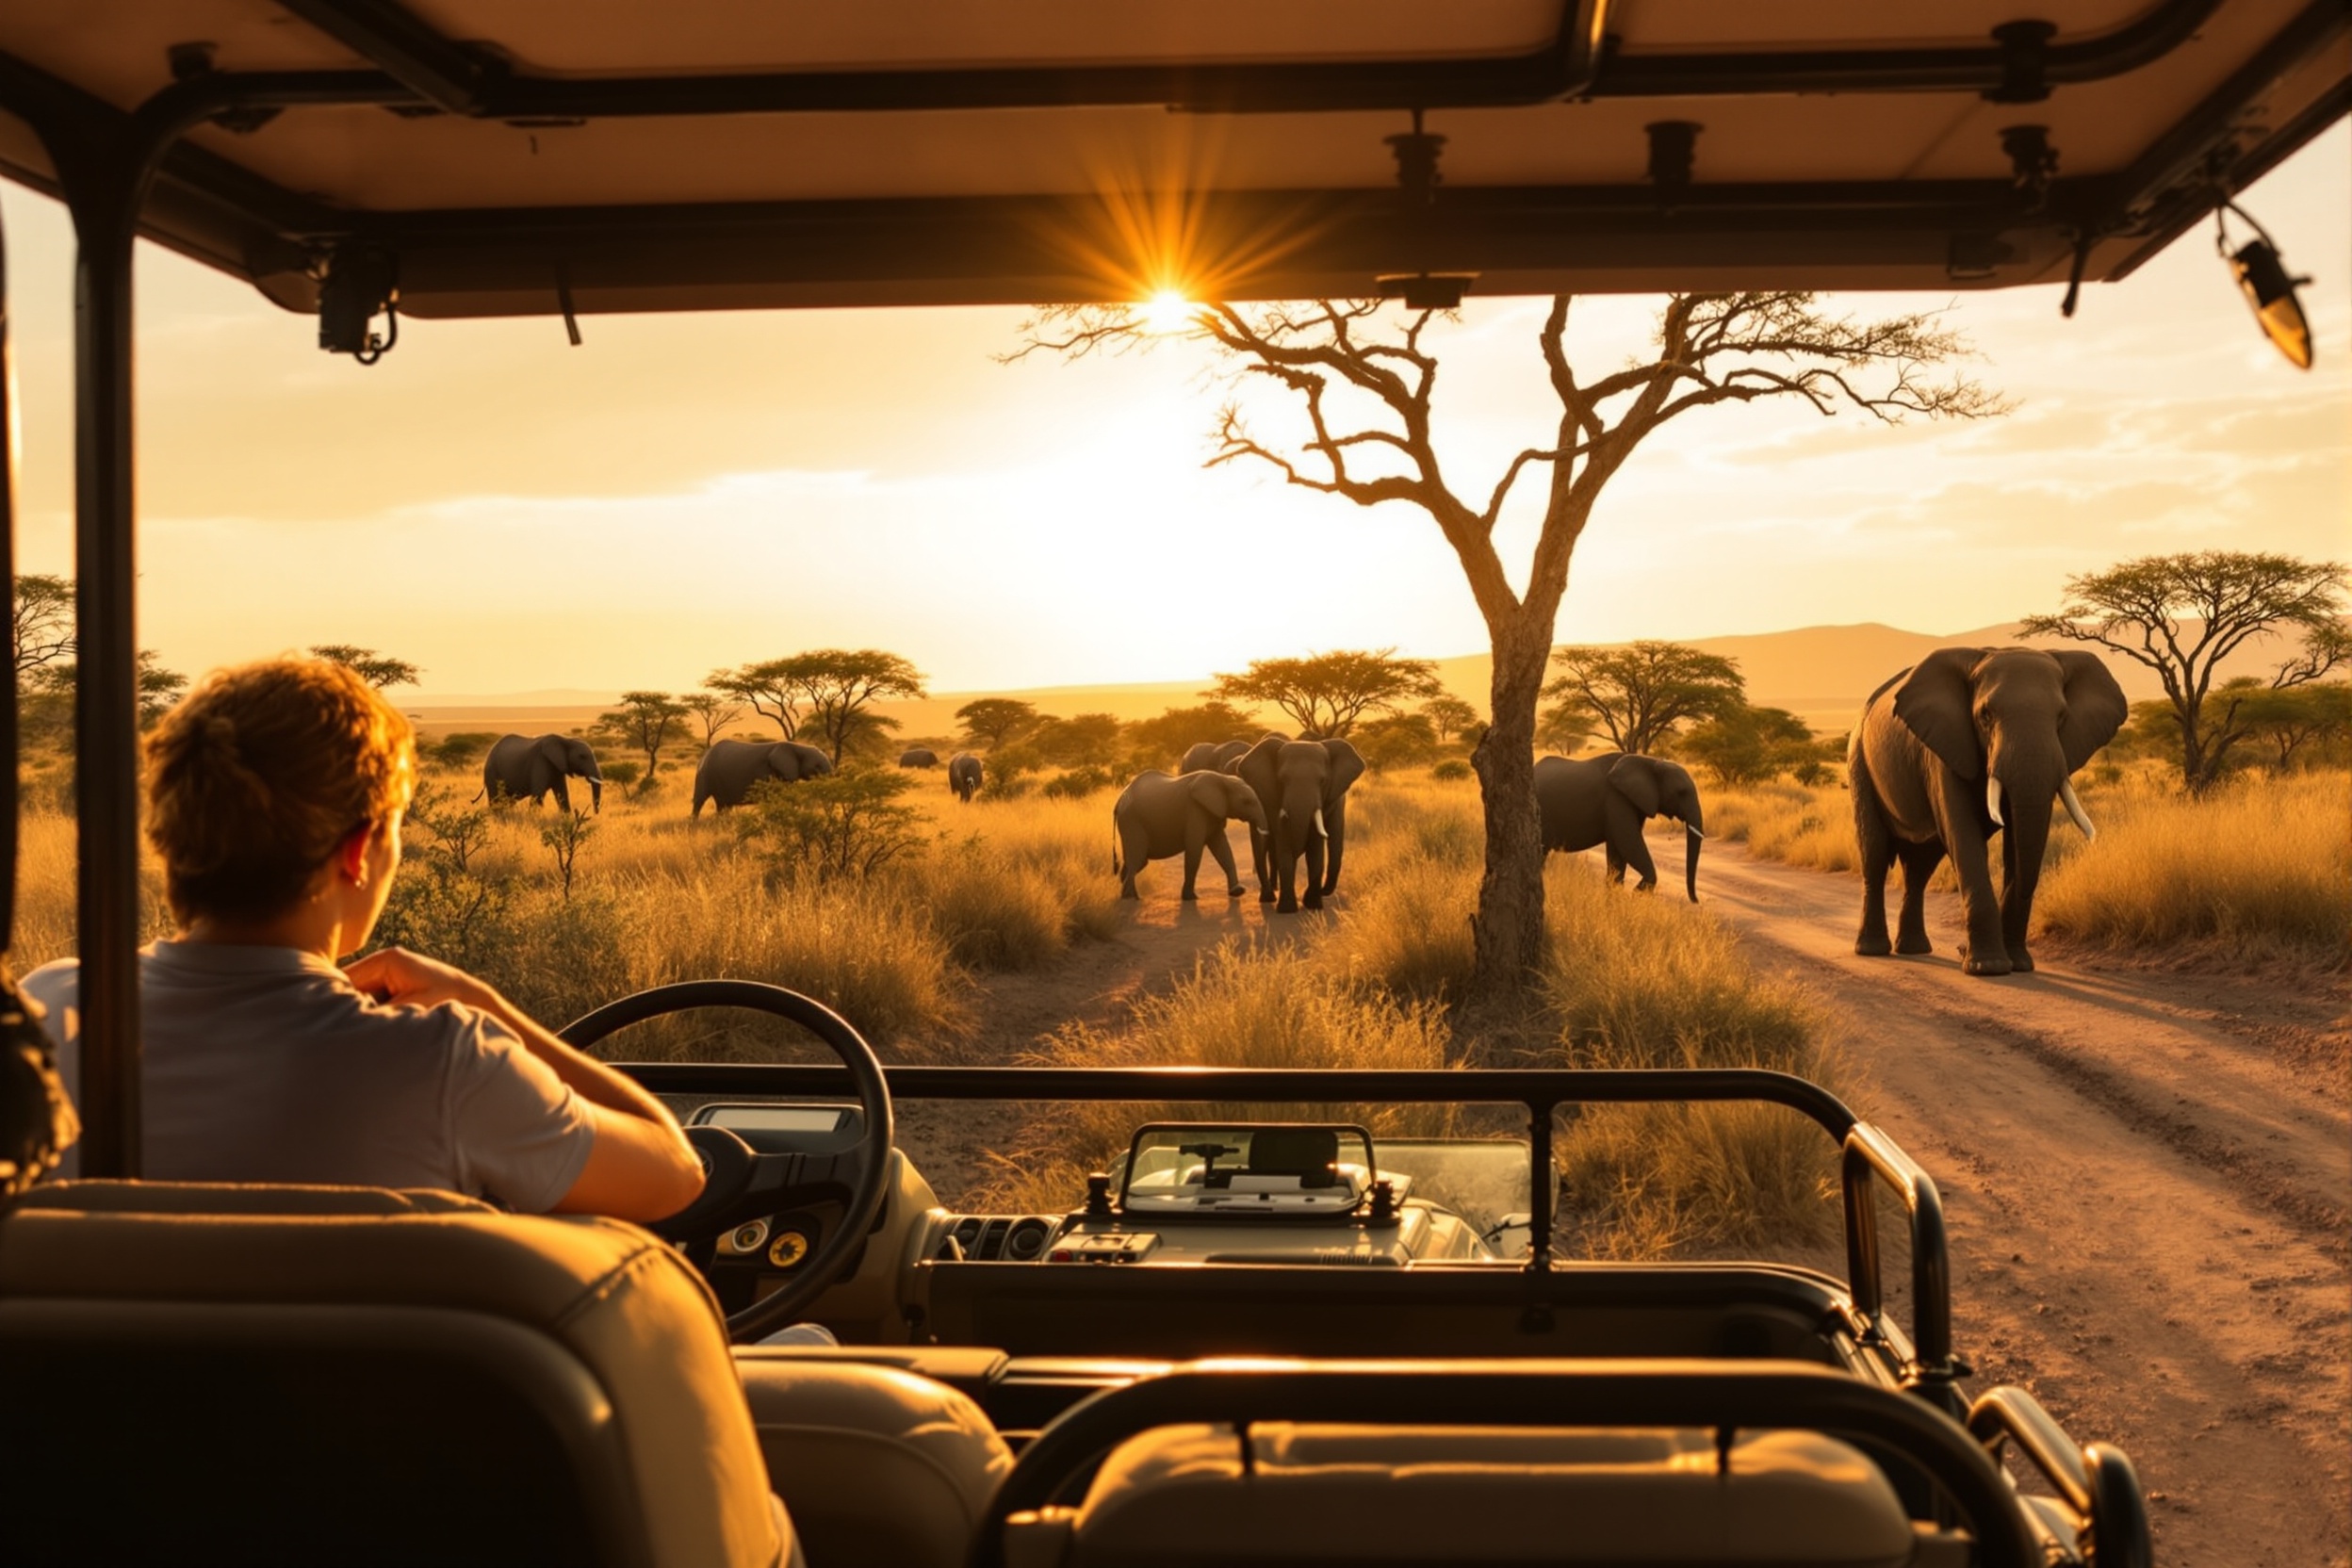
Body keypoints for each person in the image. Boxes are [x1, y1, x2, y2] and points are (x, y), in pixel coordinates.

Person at [23, 658, 703, 1221]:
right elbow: (675, 1172)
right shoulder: (448, 1064)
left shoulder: (43, 1015)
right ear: (357, 851)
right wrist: (484, 1005)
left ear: (169, 837)